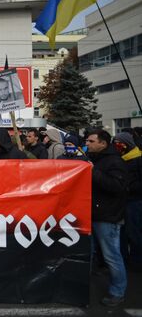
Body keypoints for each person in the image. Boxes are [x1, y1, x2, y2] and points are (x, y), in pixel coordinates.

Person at [86, 129, 128, 307]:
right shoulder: (99, 159)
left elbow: (117, 186)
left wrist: (94, 172)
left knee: (112, 256)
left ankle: (118, 292)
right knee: (93, 252)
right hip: (95, 214)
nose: (87, 143)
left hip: (108, 217)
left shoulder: (115, 162)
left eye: (91, 141)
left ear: (103, 143)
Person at [113, 132, 142, 270]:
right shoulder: (119, 159)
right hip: (122, 201)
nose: (118, 145)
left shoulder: (138, 158)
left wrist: (129, 187)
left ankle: (137, 260)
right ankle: (123, 259)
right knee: (121, 232)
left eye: (120, 142)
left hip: (134, 201)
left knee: (134, 232)